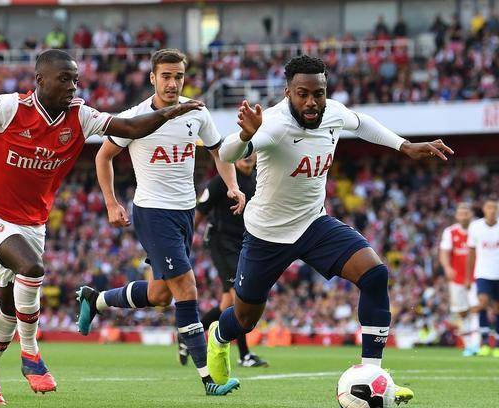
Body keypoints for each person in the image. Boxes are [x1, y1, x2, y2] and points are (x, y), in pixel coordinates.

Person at [0, 49, 204, 405]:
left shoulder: (80, 116)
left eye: (75, 80)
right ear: (40, 80)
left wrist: (171, 111)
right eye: (64, 79)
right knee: (32, 269)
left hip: (33, 223)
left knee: (9, 306)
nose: (72, 86)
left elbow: (129, 128)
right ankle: (31, 354)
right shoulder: (10, 107)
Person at [206, 55, 454, 403]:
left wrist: (404, 145)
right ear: (288, 93)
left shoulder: (333, 112)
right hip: (267, 234)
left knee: (374, 274)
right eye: (303, 94)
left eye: (318, 93)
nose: (311, 102)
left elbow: (362, 123)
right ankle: (219, 336)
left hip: (313, 223)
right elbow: (229, 154)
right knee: (244, 319)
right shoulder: (273, 124)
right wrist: (247, 133)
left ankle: (374, 375)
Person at [77, 48, 244, 396]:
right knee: (187, 288)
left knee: (159, 295)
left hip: (185, 213)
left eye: (178, 76)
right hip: (153, 212)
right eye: (165, 76)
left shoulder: (197, 112)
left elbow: (218, 151)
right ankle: (208, 380)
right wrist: (111, 202)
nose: (172, 83)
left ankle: (96, 300)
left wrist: (232, 186)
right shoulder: (135, 118)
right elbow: (103, 156)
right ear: (152, 78)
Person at [177, 153, 268, 368]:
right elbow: (200, 211)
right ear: (235, 156)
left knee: (227, 303)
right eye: (243, 151)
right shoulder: (223, 180)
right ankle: (244, 355)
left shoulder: (258, 179)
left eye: (251, 151)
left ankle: (188, 335)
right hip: (222, 243)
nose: (248, 156)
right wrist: (184, 245)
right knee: (239, 297)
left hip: (244, 243)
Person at [440, 202, 480, 356]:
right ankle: (469, 345)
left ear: (471, 214)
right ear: (456, 216)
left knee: (476, 309)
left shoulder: (477, 230)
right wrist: (447, 267)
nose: (463, 216)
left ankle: (477, 343)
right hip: (457, 279)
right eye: (461, 213)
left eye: (466, 213)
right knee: (462, 312)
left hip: (476, 277)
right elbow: (444, 252)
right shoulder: (450, 232)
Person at [467, 199, 499, 357]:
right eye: (489, 207)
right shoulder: (475, 226)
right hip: (483, 273)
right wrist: (468, 276)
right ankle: (485, 343)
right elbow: (471, 253)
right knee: (483, 303)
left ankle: (497, 344)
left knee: (498, 308)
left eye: (494, 208)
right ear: (484, 210)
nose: (492, 210)